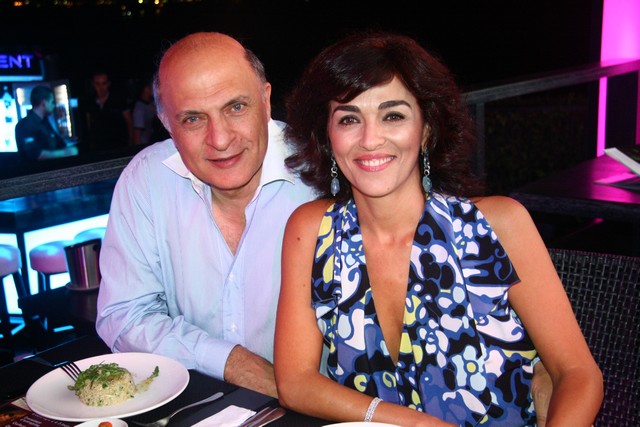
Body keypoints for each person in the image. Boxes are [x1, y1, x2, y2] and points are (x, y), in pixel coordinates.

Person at [273, 31, 603, 426]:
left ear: (426, 129)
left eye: (393, 115)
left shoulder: (497, 225)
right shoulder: (312, 230)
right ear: (327, 136)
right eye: (349, 119)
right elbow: (295, 382)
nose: (370, 139)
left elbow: (577, 374)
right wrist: (409, 421)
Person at [95, 32, 316, 398]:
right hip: (193, 403)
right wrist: (232, 362)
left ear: (265, 101)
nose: (220, 139)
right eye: (193, 119)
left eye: (236, 107)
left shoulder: (322, 174)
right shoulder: (147, 178)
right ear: (166, 123)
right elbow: (124, 315)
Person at [14, 85, 78, 161]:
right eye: (52, 102)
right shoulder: (24, 125)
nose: (54, 106)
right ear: (44, 103)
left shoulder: (45, 122)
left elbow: (59, 143)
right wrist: (65, 153)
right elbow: (35, 154)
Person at [84, 70, 133, 152]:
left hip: (118, 146)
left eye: (103, 83)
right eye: (97, 84)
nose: (101, 87)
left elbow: (129, 122)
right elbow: (89, 126)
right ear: (93, 84)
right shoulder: (90, 103)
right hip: (98, 148)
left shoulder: (118, 100)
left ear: (108, 84)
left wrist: (130, 143)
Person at [131, 79, 167, 146]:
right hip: (143, 144)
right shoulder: (140, 108)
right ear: (146, 89)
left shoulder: (150, 104)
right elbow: (137, 132)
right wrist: (137, 148)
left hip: (150, 142)